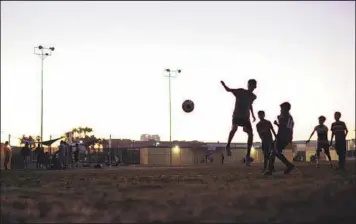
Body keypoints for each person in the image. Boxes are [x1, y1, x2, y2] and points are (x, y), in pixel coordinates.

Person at [221, 79, 257, 165]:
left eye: (254, 86)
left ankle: (247, 156)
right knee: (234, 128)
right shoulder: (240, 91)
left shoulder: (253, 96)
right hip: (237, 116)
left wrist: (252, 115)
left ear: (255, 87)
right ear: (248, 85)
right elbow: (229, 90)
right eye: (251, 85)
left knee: (251, 134)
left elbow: (250, 105)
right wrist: (224, 85)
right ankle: (228, 145)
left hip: (245, 118)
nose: (253, 87)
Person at [264, 102, 295, 175]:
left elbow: (283, 125)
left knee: (276, 152)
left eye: (282, 109)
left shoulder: (285, 116)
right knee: (274, 152)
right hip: (286, 137)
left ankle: (288, 165)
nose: (281, 110)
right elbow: (285, 127)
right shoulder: (290, 117)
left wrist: (278, 120)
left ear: (285, 109)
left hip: (282, 137)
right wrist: (278, 124)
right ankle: (271, 170)